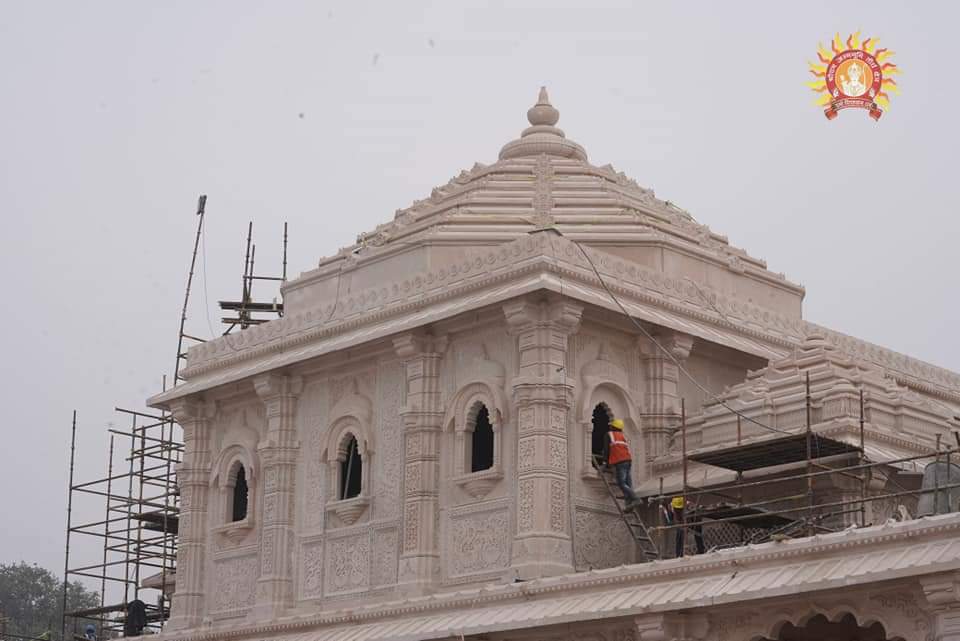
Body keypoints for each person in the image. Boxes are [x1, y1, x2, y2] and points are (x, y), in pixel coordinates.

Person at [603, 418, 641, 509]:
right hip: (628, 460)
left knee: (621, 483)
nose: (610, 427)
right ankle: (629, 505)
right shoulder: (623, 436)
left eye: (611, 426)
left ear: (613, 426)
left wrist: (605, 463)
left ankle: (636, 499)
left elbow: (606, 450)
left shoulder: (609, 435)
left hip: (619, 461)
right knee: (628, 483)